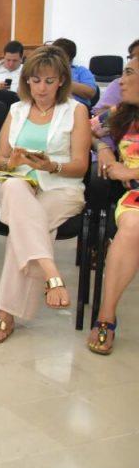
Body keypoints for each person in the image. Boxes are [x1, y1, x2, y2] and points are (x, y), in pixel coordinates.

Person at [0, 46, 90, 345]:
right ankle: (52, 273)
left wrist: (52, 166)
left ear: (61, 81)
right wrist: (11, 162)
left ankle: (5, 314)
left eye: (49, 81)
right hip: (14, 188)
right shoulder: (17, 110)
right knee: (17, 192)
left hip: (61, 189)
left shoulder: (76, 111)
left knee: (25, 229)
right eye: (36, 80)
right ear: (27, 80)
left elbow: (81, 165)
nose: (42, 88)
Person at [90, 50, 139, 354]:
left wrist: (131, 171)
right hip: (135, 199)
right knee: (133, 224)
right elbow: (88, 129)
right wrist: (104, 149)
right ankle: (106, 317)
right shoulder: (122, 113)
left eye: (129, 73)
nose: (120, 81)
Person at [91, 39, 139, 118]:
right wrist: (117, 113)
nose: (134, 61)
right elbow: (97, 117)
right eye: (132, 57)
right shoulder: (117, 84)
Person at [51, 37, 99, 108]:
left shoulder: (81, 71)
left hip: (77, 108)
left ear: (68, 57)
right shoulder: (47, 70)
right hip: (51, 107)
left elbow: (90, 93)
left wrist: (63, 83)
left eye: (57, 55)